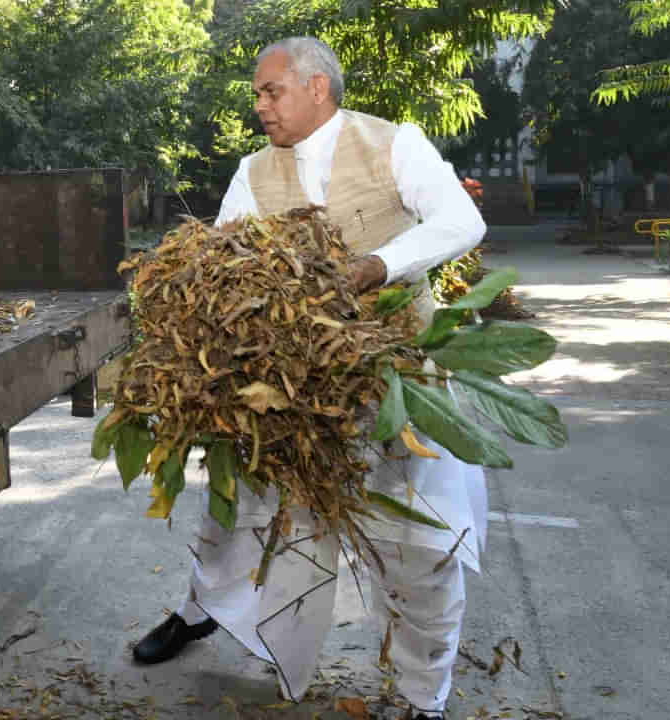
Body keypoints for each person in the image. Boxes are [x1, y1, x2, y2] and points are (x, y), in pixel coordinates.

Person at [129, 37, 488, 720]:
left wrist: (377, 266)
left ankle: (421, 696)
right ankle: (198, 612)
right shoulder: (253, 171)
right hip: (291, 385)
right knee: (233, 514)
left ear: (316, 87)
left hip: (397, 373)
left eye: (271, 91)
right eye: (258, 94)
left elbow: (460, 222)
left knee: (423, 537)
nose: (259, 105)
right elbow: (224, 261)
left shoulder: (393, 144)